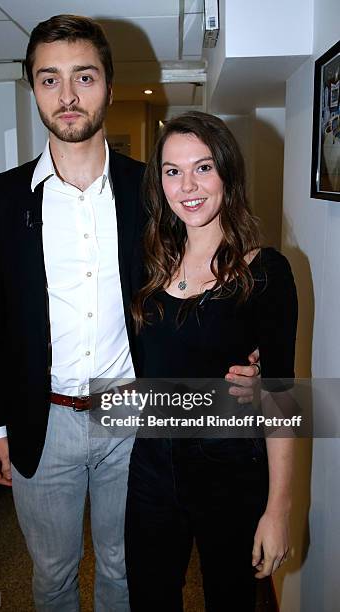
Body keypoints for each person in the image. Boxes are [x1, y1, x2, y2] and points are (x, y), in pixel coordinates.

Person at [0, 16, 260, 612]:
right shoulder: (2, 197)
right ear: (33, 88)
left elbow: (199, 276)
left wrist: (242, 352)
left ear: (106, 84)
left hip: (129, 417)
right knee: (50, 574)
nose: (68, 95)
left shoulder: (148, 190)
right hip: (38, 419)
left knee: (123, 569)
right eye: (50, 79)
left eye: (84, 76)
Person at [125, 112, 298, 612]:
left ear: (227, 172)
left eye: (203, 168)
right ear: (159, 182)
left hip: (230, 471)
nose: (188, 186)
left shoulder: (265, 272)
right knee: (149, 597)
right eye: (173, 171)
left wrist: (278, 508)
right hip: (152, 466)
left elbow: (281, 397)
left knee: (230, 600)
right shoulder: (149, 262)